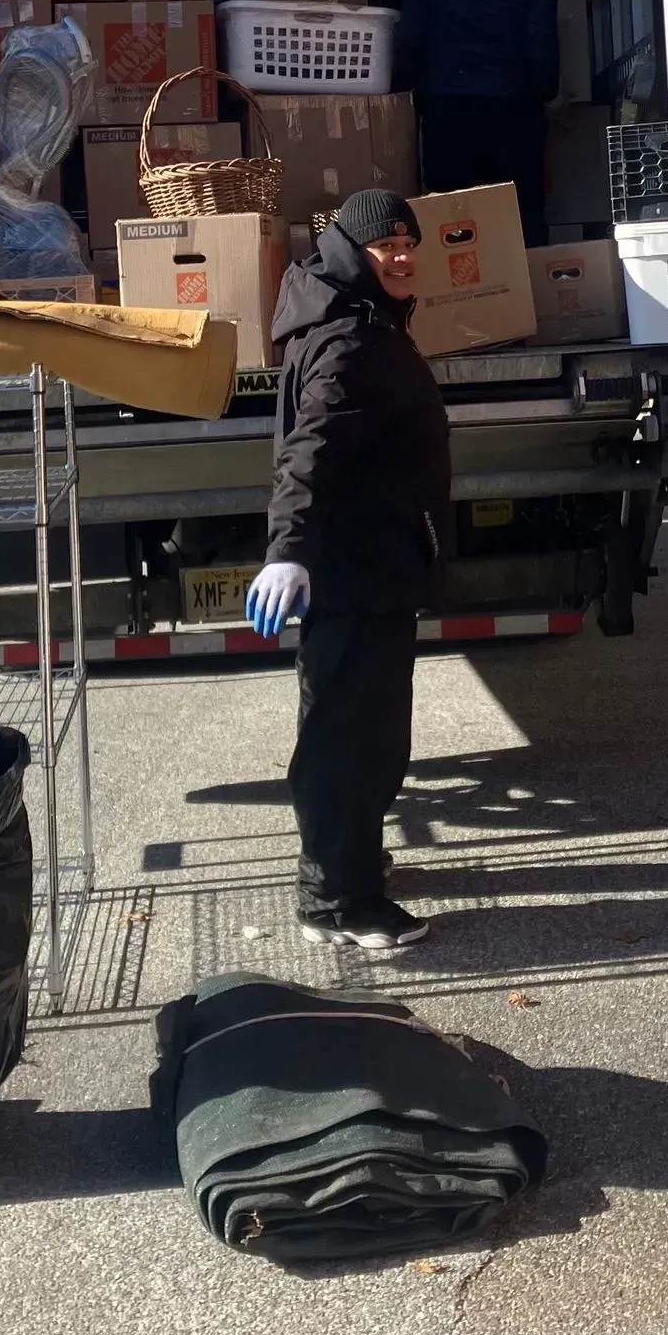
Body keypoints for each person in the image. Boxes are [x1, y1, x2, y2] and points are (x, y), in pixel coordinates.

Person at [244, 190, 451, 954]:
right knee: (352, 739)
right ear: (350, 253)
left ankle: (349, 867)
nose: (399, 256)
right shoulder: (353, 341)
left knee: (354, 731)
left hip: (372, 566)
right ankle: (337, 905)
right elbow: (312, 454)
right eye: (383, 246)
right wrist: (288, 552)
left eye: (407, 243)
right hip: (357, 571)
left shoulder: (349, 319)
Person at [394, 0, 559, 246]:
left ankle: (462, 304)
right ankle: (522, 303)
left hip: (446, 116)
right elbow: (542, 47)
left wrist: (419, 97)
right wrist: (544, 93)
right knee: (519, 226)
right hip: (513, 115)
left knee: (451, 230)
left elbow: (410, 41)